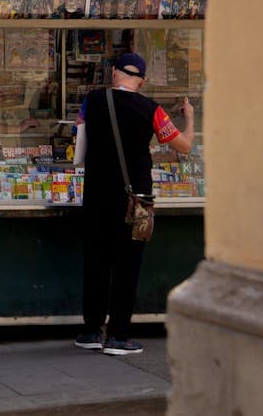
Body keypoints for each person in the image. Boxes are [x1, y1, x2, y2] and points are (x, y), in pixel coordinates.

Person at [73, 52, 194, 355]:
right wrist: (189, 117)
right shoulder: (151, 109)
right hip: (135, 198)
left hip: (97, 194)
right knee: (127, 264)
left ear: (114, 72)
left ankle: (90, 331)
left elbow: (79, 132)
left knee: (96, 261)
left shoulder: (93, 100)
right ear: (141, 80)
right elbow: (184, 146)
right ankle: (118, 336)